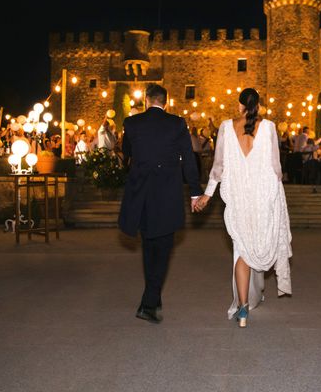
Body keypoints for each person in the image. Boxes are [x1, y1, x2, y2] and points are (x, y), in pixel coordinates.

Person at [194, 88, 292, 328]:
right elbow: (276, 168)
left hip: (239, 199)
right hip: (263, 197)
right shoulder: (269, 127)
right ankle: (251, 299)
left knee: (242, 252)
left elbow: (218, 167)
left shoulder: (226, 127)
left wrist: (207, 195)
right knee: (256, 247)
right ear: (258, 105)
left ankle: (243, 309)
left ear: (240, 106)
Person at [118, 84, 202, 324]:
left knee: (149, 246)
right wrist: (195, 192)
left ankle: (152, 296)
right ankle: (149, 301)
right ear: (165, 102)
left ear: (146, 100)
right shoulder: (177, 124)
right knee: (163, 248)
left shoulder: (131, 124)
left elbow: (126, 153)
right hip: (167, 195)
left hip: (142, 194)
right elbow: (188, 159)